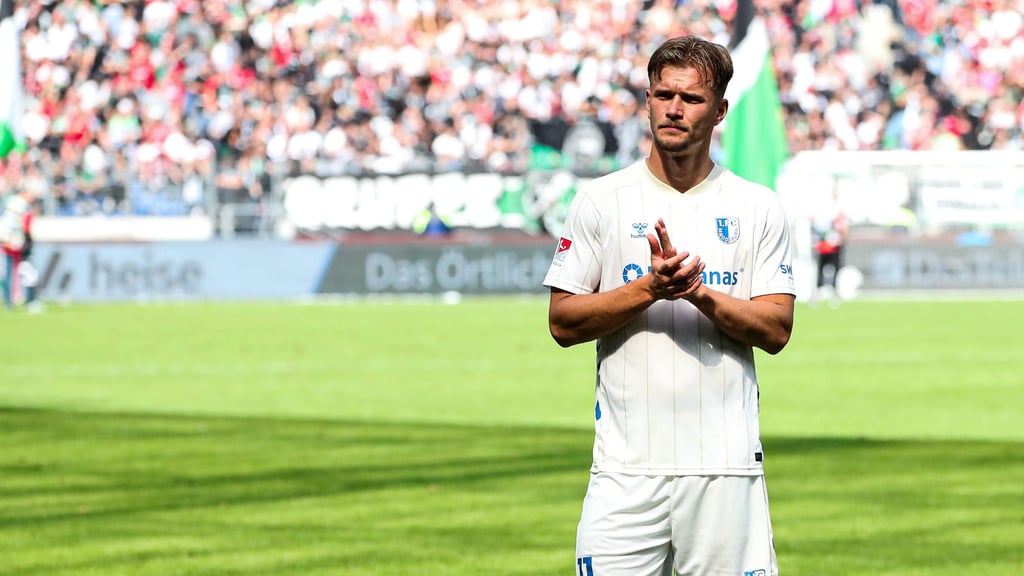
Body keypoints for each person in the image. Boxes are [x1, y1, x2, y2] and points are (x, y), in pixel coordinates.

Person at [543, 35, 796, 576]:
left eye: (692, 98)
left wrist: (697, 293)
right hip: (624, 473)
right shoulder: (600, 200)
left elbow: (776, 329)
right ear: (649, 100)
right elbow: (562, 322)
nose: (674, 109)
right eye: (663, 95)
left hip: (726, 471)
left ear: (721, 110)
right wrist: (649, 289)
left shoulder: (756, 206)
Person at [1, 188, 40, 311]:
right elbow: (25, 226)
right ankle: (29, 300)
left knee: (8, 272)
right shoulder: (22, 206)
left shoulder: (8, 204)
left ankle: (8, 301)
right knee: (26, 271)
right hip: (16, 243)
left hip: (6, 242)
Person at [811, 192, 848, 306]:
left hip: (835, 246)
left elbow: (843, 229)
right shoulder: (824, 213)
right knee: (820, 269)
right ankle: (817, 293)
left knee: (835, 269)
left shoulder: (838, 213)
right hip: (823, 246)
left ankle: (834, 292)